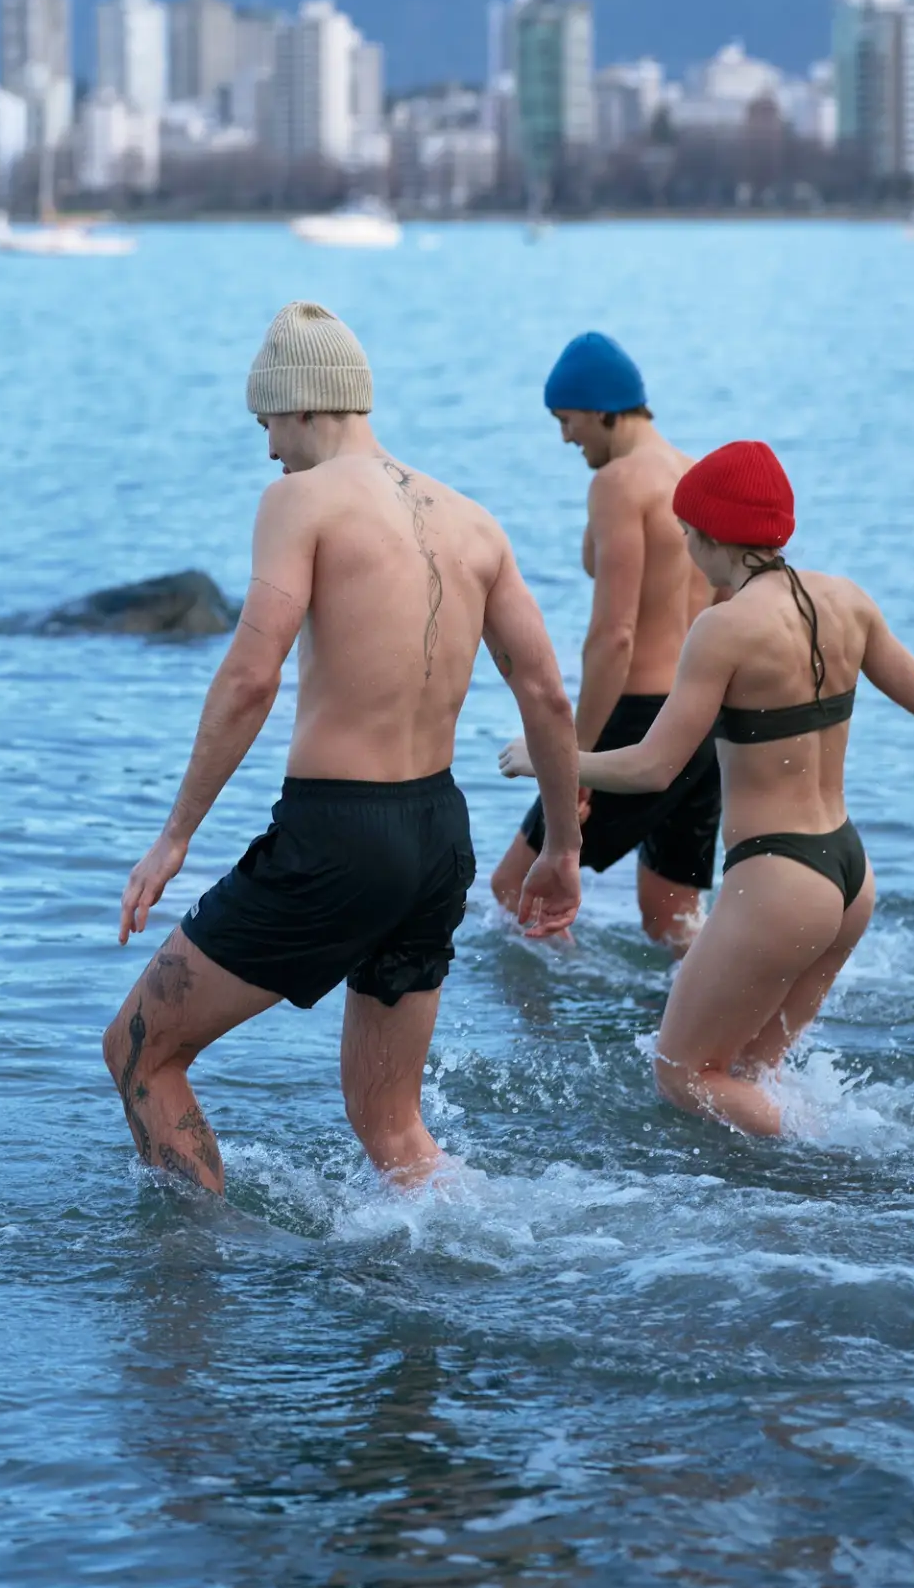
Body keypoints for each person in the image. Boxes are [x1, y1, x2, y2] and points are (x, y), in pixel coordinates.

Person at [104, 302, 584, 1194]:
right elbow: (550, 698)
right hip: (439, 837)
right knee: (391, 1126)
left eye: (267, 425)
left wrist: (174, 837)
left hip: (337, 838)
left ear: (303, 405)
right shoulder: (475, 523)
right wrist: (561, 847)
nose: (268, 451)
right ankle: (453, 1274)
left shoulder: (300, 502)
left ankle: (198, 1285)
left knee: (139, 1053)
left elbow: (251, 677)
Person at [571, 441, 914, 1137]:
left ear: (712, 537)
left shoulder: (721, 629)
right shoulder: (848, 600)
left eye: (688, 534)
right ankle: (789, 1216)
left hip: (781, 880)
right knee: (752, 1072)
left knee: (684, 1072)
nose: (688, 549)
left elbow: (652, 768)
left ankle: (843, 1168)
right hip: (848, 875)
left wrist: (556, 760)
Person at [486, 330, 716, 947]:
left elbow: (614, 636)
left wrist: (574, 760)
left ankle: (551, 1042)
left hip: (637, 718)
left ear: (602, 411)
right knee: (673, 917)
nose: (565, 437)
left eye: (567, 420)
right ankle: (698, 1031)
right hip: (706, 720)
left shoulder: (619, 485)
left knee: (517, 892)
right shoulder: (699, 477)